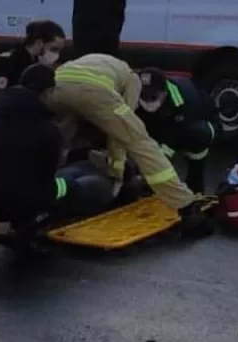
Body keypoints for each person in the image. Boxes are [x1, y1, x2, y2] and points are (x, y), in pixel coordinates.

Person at [44, 52, 214, 237]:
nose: (146, 103)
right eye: (145, 98)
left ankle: (40, 187)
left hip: (57, 85)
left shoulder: (100, 63)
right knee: (140, 142)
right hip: (92, 92)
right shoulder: (132, 81)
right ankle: (186, 206)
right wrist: (117, 172)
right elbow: (120, 136)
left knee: (58, 135)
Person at [0, 63, 115, 240]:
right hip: (12, 204)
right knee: (78, 185)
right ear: (48, 93)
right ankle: (29, 224)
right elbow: (45, 179)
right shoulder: (46, 129)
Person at [0, 20, 65, 146]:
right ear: (39, 43)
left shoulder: (34, 64)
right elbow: (2, 101)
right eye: (54, 49)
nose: (56, 55)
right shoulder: (7, 62)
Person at [137, 68, 220, 195]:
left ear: (164, 93)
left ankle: (195, 183)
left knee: (197, 135)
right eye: (143, 96)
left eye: (152, 97)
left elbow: (173, 136)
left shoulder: (183, 98)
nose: (147, 102)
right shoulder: (132, 94)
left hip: (196, 124)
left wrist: (157, 163)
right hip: (164, 123)